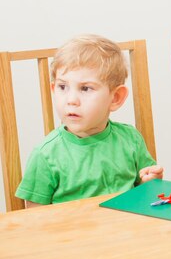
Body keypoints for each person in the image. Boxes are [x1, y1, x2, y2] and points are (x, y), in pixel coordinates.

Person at [16, 35, 163, 207]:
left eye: (85, 88)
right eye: (63, 87)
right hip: (72, 233)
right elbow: (34, 217)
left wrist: (150, 181)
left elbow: (144, 192)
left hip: (125, 229)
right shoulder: (45, 155)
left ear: (115, 98)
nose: (71, 100)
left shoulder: (131, 139)